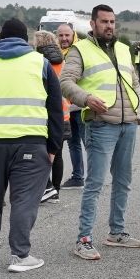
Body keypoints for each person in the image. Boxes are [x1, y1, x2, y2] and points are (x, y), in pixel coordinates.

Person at [0, 18, 64, 272]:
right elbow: (55, 108)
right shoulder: (40, 63)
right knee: (24, 200)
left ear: (0, 37)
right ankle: (20, 255)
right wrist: (53, 147)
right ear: (24, 38)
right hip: (31, 143)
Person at [60, 4, 140, 261]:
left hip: (128, 123)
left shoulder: (123, 49)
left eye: (112, 22)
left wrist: (137, 110)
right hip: (100, 124)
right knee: (94, 183)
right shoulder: (80, 50)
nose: (109, 26)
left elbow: (134, 81)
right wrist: (85, 99)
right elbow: (65, 82)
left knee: (123, 181)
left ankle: (116, 232)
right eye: (104, 21)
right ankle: (83, 239)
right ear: (93, 24)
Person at [33, 29, 68, 205]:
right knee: (58, 154)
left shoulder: (38, 62)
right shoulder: (62, 60)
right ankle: (56, 191)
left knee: (41, 154)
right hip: (64, 115)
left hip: (45, 115)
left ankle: (45, 188)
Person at [56, 23, 85, 188]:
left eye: (67, 35)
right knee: (73, 143)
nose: (64, 39)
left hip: (80, 105)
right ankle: (78, 177)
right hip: (65, 108)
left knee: (89, 142)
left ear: (73, 35)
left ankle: (96, 176)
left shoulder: (80, 51)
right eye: (61, 36)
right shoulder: (54, 54)